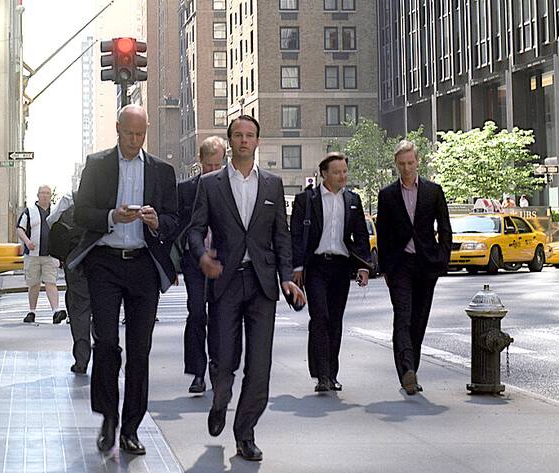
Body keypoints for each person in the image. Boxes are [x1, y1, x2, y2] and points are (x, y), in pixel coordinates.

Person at [187, 115, 305, 462]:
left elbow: (281, 236)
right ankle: (220, 399)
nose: (243, 140)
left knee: (259, 365)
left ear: (257, 141)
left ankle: (245, 433)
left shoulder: (271, 184)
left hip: (262, 284)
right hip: (225, 280)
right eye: (237, 135)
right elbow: (195, 230)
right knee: (224, 360)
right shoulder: (211, 184)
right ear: (229, 142)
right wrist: (202, 258)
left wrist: (287, 277)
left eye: (249, 135)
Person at [67, 104, 179, 456]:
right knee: (106, 345)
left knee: (140, 350)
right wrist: (111, 216)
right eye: (129, 133)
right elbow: (80, 212)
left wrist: (157, 221)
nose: (134, 140)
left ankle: (131, 428)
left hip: (144, 266)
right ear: (117, 129)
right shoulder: (97, 165)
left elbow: (176, 219)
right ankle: (108, 419)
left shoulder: (162, 171)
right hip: (105, 263)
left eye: (140, 134)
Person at [290, 152, 372, 392]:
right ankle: (322, 375)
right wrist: (297, 268)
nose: (342, 176)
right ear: (324, 174)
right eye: (337, 172)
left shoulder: (353, 200)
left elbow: (361, 238)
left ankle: (331, 374)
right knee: (320, 318)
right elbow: (295, 234)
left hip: (341, 267)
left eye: (345, 171)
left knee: (335, 321)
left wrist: (363, 266)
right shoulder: (307, 200)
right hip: (316, 266)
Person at [376, 140, 452, 395]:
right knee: (403, 316)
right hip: (399, 266)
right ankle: (407, 370)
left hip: (426, 264)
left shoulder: (433, 191)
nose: (406, 168)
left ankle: (412, 370)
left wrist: (442, 259)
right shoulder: (387, 195)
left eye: (410, 163)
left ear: (418, 162)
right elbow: (383, 234)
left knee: (418, 320)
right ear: (396, 165)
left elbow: (444, 228)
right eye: (402, 164)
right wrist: (386, 268)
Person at [177, 135, 226, 394]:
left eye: (217, 166)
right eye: (208, 165)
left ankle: (217, 368)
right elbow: (177, 226)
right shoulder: (185, 189)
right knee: (197, 313)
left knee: (219, 317)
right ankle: (197, 373)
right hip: (194, 262)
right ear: (200, 161)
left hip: (221, 262)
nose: (212, 171)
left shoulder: (230, 187)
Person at [47, 192, 92, 375]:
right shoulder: (108, 194)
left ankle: (81, 359)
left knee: (79, 310)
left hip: (74, 260)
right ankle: (105, 355)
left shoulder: (69, 198)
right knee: (104, 309)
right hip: (102, 259)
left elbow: (51, 221)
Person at [16, 185, 66, 324]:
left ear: (50, 196)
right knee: (34, 284)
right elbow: (20, 229)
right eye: (42, 193)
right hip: (33, 254)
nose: (45, 195)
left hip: (50, 254)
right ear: (38, 195)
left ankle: (55, 311)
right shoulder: (29, 211)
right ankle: (32, 311)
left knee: (51, 282)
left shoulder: (55, 211)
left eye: (47, 193)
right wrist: (27, 241)